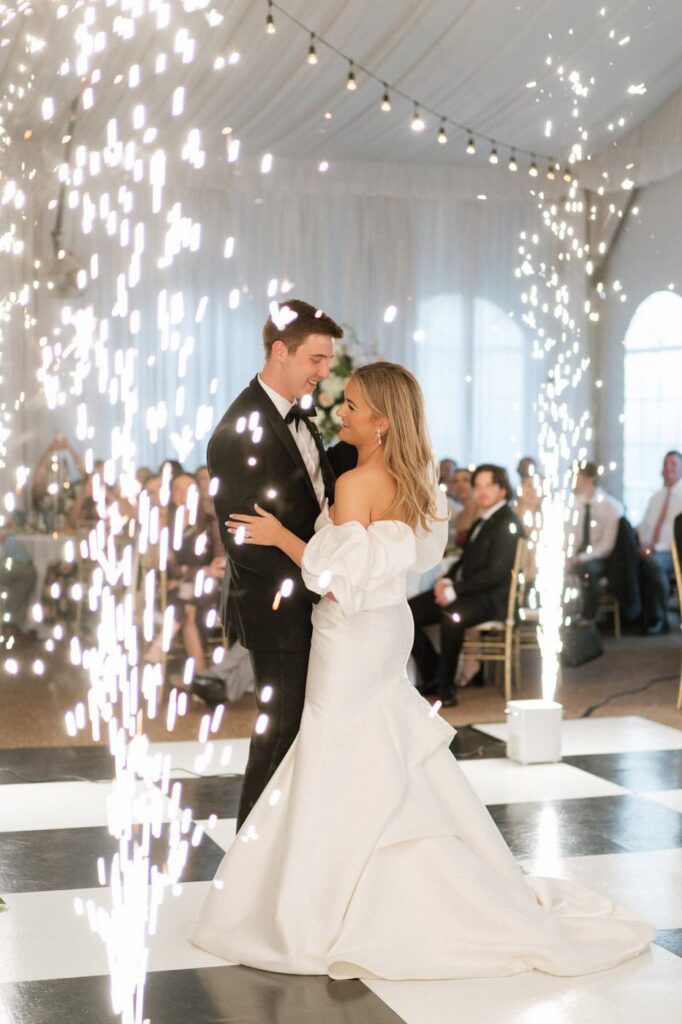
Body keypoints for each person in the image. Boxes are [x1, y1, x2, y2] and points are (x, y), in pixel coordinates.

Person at [191, 361, 652, 980]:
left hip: (351, 633)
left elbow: (335, 578)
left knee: (334, 745)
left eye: (351, 406)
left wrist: (279, 536)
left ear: (379, 423)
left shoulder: (356, 484)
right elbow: (396, 563)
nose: (341, 414)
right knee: (375, 743)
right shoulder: (417, 482)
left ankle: (315, 906)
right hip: (386, 629)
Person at [208, 299, 343, 829]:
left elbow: (315, 492)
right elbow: (245, 542)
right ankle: (247, 860)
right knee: (278, 731)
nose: (324, 371)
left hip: (310, 598)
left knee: (299, 730)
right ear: (280, 351)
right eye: (316, 358)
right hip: (277, 608)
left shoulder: (299, 417)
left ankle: (286, 850)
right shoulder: (238, 428)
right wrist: (317, 582)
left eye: (328, 360)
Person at [409, 464, 521, 705]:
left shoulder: (507, 522)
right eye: (477, 486)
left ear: (502, 489)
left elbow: (496, 574)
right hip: (469, 592)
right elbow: (464, 558)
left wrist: (454, 590)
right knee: (408, 612)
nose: (481, 491)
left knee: (452, 616)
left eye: (488, 485)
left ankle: (446, 686)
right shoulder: (484, 518)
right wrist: (448, 579)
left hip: (491, 599)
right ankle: (432, 675)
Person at [566, 462, 622, 621]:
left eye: (575, 477)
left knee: (587, 571)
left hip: (599, 559)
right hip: (574, 556)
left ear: (588, 479)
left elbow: (606, 546)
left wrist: (580, 558)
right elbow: (570, 536)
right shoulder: (573, 505)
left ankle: (587, 618)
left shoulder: (610, 506)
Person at [637, 449, 682, 633]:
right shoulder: (656, 498)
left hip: (674, 551)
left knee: (652, 563)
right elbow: (644, 526)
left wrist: (654, 548)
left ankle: (660, 618)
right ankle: (634, 615)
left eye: (673, 464)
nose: (669, 468)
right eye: (666, 464)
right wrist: (643, 544)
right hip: (651, 549)